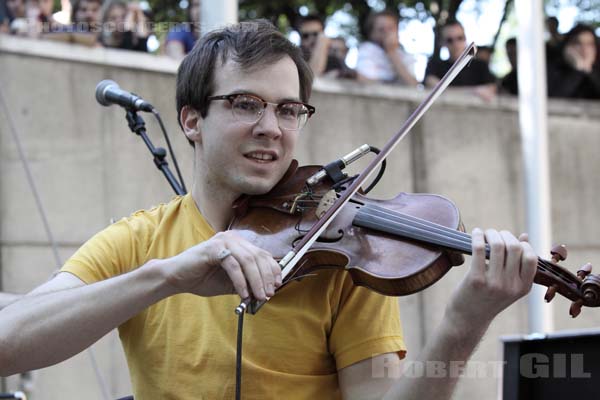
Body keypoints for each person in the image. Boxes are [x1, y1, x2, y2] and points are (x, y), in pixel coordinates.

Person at [0, 20, 537, 400]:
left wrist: (463, 325)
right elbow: (9, 341)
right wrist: (167, 277)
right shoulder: (141, 242)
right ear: (190, 121)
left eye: (288, 109)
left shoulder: (341, 254)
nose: (271, 127)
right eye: (245, 103)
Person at [424, 20, 497, 101]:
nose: (456, 43)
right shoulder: (434, 66)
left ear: (465, 39)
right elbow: (436, 90)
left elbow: (490, 90)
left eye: (460, 38)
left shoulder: (480, 66)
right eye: (450, 40)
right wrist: (474, 91)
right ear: (443, 43)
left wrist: (450, 91)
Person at [356, 10, 418, 86]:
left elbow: (413, 85)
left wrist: (392, 53)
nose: (387, 33)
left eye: (391, 28)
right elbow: (365, 81)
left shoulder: (405, 56)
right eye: (381, 30)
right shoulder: (367, 50)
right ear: (372, 34)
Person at [547, 24, 600, 100]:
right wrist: (577, 71)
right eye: (578, 43)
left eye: (589, 44)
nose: (584, 49)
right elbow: (555, 97)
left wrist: (588, 70)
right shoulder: (553, 70)